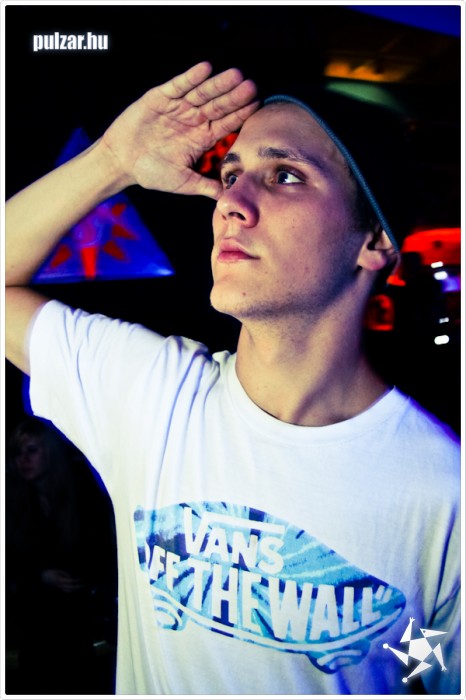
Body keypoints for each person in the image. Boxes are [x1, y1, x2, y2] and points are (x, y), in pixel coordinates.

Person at [5, 61, 460, 694]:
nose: (231, 205)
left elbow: (432, 674)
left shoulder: (442, 490)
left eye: (285, 176)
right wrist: (112, 161)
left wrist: (393, 656)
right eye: (230, 175)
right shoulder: (152, 393)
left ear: (375, 240)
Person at [5, 416, 118, 693]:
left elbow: (103, 554)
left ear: (49, 451)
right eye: (18, 452)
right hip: (33, 621)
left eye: (31, 450)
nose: (23, 459)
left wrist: (88, 581)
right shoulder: (12, 503)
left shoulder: (82, 496)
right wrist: (40, 577)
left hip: (80, 619)